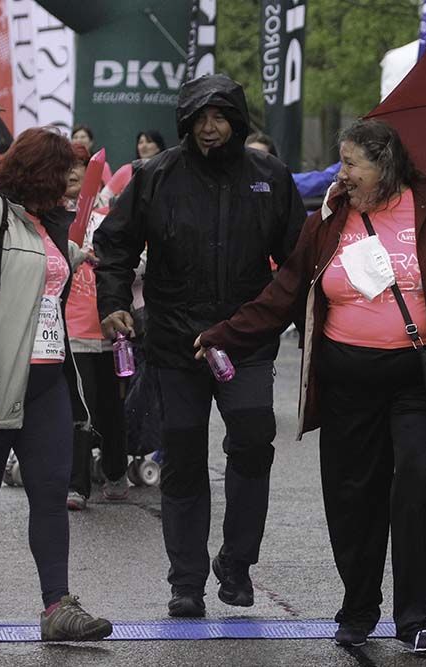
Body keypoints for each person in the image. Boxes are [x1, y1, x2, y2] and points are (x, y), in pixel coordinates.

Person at [196, 118, 426, 656]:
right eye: (341, 163)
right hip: (346, 381)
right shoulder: (328, 218)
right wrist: (226, 335)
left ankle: (415, 618)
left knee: (420, 481)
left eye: (350, 165)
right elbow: (286, 290)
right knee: (352, 497)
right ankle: (359, 607)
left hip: (419, 376)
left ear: (384, 165)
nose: (340, 175)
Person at [94, 73, 306, 618]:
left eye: (221, 117)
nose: (211, 129)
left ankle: (236, 562)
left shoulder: (271, 176)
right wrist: (113, 301)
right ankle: (185, 580)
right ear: (185, 123)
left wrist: (299, 324)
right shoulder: (154, 176)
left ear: (237, 120)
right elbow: (114, 245)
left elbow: (299, 262)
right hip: (174, 341)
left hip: (247, 339)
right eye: (200, 119)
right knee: (183, 458)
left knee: (254, 444)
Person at [0, 127, 112, 640]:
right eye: (63, 173)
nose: (71, 183)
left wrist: (78, 255)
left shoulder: (44, 221)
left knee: (51, 491)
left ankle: (58, 606)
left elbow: (39, 275)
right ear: (37, 173)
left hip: (48, 378)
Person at [64, 144, 129, 509]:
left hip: (108, 330)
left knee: (110, 409)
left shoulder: (108, 219)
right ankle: (77, 485)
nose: (74, 173)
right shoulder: (48, 218)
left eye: (80, 166)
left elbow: (135, 262)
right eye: (67, 166)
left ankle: (116, 471)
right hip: (69, 333)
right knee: (79, 409)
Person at [98, 130, 167, 210]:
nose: (144, 146)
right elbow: (103, 199)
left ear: (158, 147)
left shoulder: (166, 170)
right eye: (140, 142)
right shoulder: (127, 170)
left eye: (149, 142)